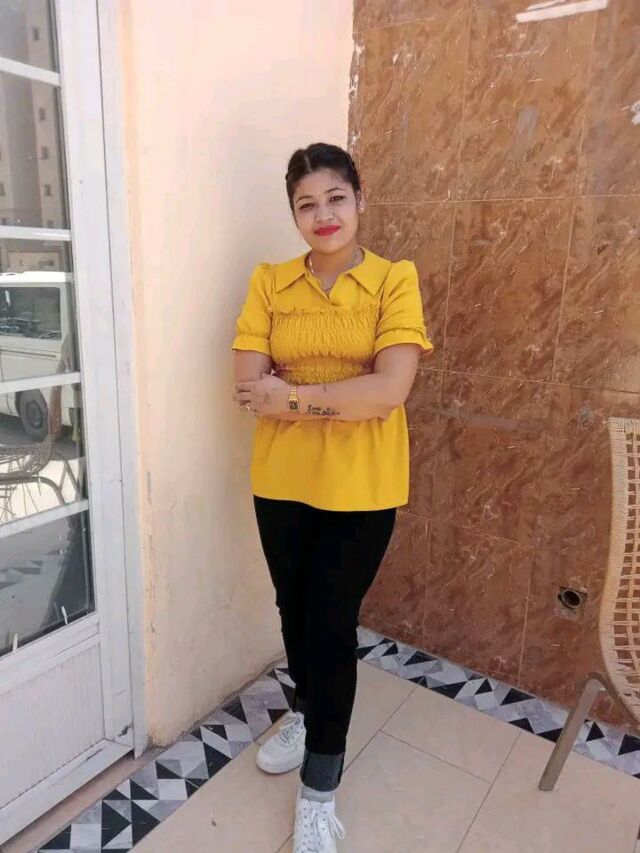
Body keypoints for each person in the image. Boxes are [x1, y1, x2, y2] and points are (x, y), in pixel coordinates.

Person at [232, 142, 432, 853]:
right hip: (281, 479)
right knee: (293, 607)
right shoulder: (270, 283)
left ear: (359, 200)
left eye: (335, 198)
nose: (323, 214)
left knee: (331, 622)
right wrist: (338, 395)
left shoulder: (393, 280)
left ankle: (320, 787)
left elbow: (390, 390)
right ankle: (306, 710)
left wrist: (293, 395)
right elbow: (248, 386)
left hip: (362, 483)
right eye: (306, 203)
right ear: (293, 214)